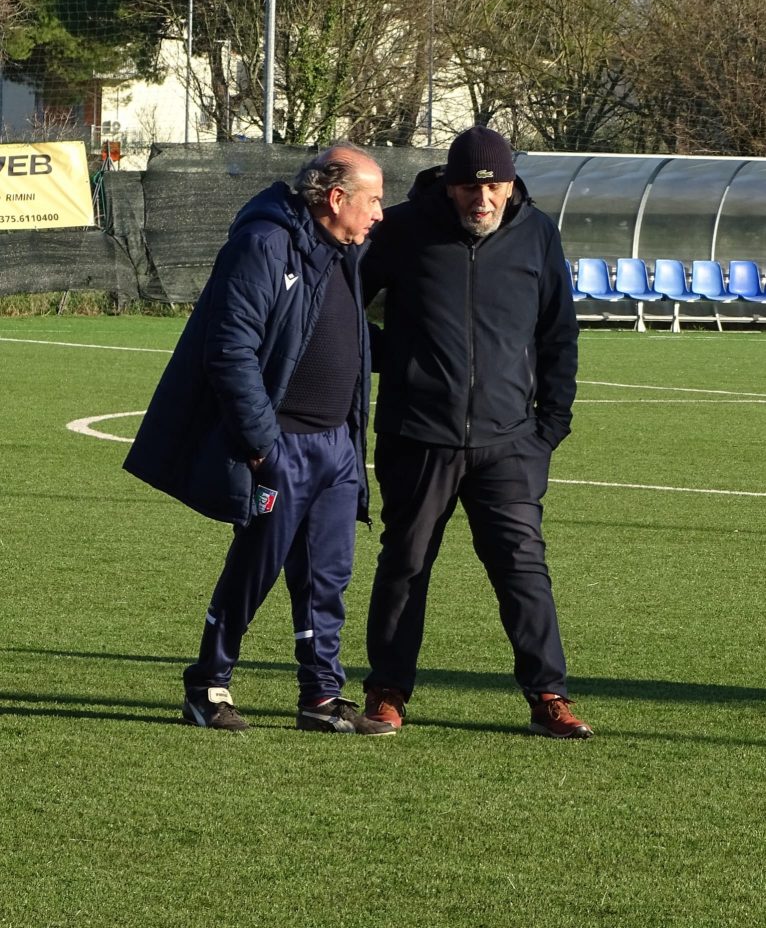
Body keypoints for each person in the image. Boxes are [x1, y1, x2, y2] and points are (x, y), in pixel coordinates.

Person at [124, 143, 394, 735]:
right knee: (254, 569)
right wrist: (262, 444)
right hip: (283, 444)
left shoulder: (344, 251)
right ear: (336, 198)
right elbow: (230, 350)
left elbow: (336, 333)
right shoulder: (264, 244)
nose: (380, 212)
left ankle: (322, 696)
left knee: (328, 577)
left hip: (337, 446)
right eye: (373, 199)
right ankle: (207, 685)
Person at [360, 126, 593, 739]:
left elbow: (558, 333)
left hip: (510, 442)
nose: (482, 199)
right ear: (449, 185)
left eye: (494, 186)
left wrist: (551, 425)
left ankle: (548, 696)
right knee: (405, 565)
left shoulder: (537, 233)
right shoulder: (403, 228)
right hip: (418, 437)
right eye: (470, 186)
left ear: (511, 185)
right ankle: (387, 691)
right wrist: (393, 357)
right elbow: (340, 305)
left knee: (523, 569)